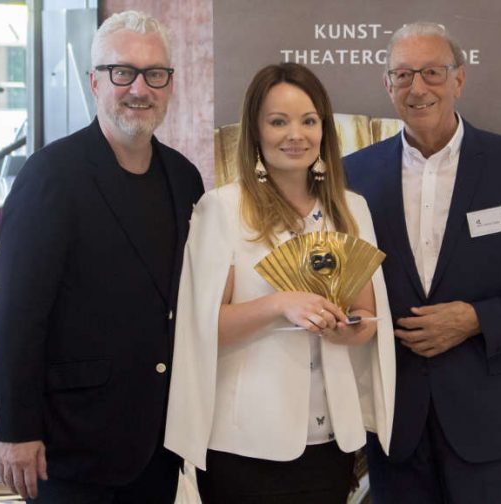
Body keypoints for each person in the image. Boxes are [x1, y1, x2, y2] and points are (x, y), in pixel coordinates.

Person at [344, 22, 501, 504]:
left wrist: (476, 319)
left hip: (491, 427)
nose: (418, 87)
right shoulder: (355, 174)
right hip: (395, 428)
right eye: (404, 75)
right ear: (388, 86)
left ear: (459, 80)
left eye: (432, 72)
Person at [0, 10, 204, 503]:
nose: (139, 88)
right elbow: (18, 315)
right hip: (72, 444)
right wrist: (17, 429)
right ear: (94, 81)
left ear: (170, 84)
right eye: (122, 72)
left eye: (155, 74)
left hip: (156, 444)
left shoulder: (184, 178)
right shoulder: (51, 176)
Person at [164, 62, 395, 504]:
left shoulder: (351, 209)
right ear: (255, 131)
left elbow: (367, 319)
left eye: (309, 121)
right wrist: (279, 304)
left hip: (330, 443)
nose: (296, 134)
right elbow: (200, 327)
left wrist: (349, 327)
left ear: (324, 129)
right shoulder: (222, 209)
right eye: (278, 121)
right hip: (246, 443)